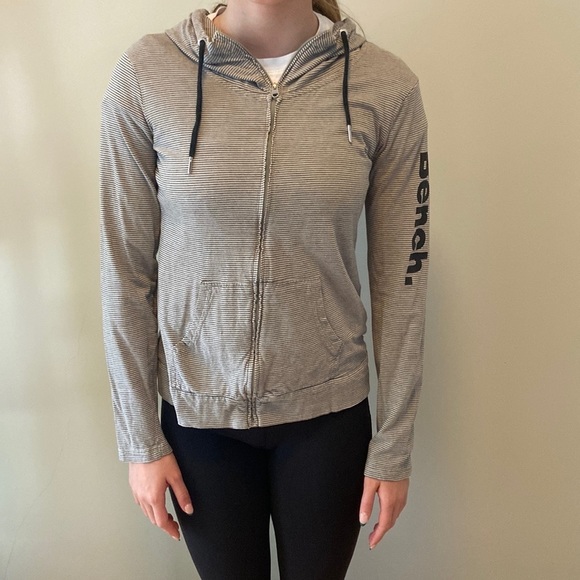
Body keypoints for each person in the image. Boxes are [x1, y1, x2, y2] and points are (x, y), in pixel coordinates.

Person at [100, 0, 430, 578]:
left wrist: (394, 443)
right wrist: (140, 439)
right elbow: (124, 271)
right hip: (199, 419)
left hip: (327, 416)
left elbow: (404, 277)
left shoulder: (385, 85)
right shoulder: (148, 71)